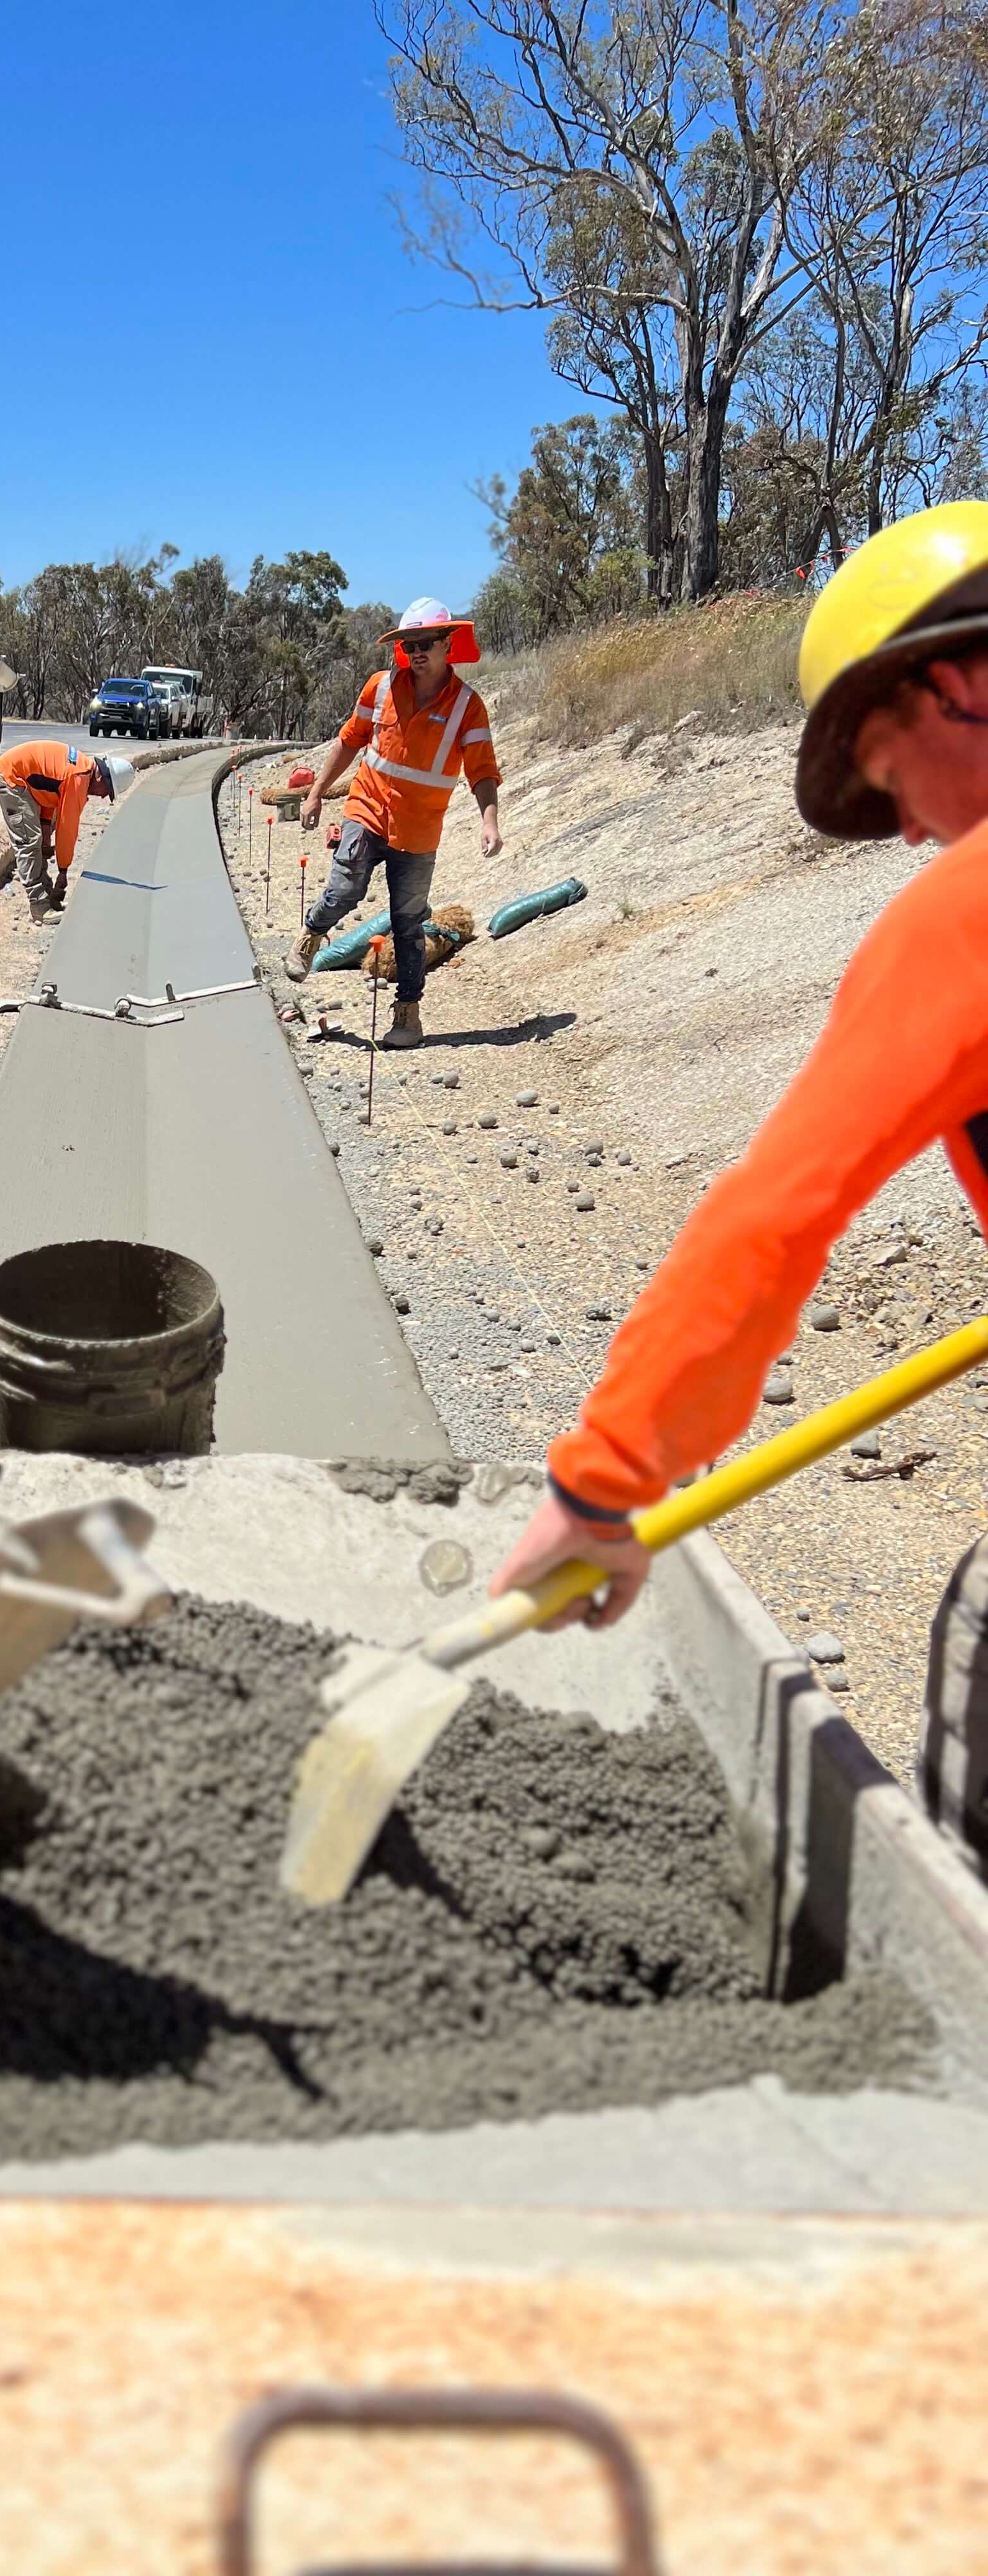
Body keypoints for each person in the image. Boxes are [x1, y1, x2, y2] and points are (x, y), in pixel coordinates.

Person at [490, 499, 988, 1877]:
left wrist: (601, 1487)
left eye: (884, 775)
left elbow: (775, 1217)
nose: (904, 832)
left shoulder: (965, 908)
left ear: (958, 684)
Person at [287, 598, 503, 1049]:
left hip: (419, 829)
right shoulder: (380, 687)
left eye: (425, 643)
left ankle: (407, 1014)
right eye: (409, 645)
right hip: (367, 807)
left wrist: (490, 822)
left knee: (408, 924)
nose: (416, 652)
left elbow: (482, 769)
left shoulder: (468, 706)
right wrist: (316, 792)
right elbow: (349, 741)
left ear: (447, 644)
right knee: (345, 890)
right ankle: (311, 935)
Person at [0, 739, 134, 921]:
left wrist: (46, 834)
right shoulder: (78, 778)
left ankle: (46, 894)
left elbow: (48, 794)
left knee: (40, 840)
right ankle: (39, 906)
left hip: (22, 778)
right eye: (107, 791)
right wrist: (63, 871)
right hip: (11, 777)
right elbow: (67, 829)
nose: (104, 796)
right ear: (101, 778)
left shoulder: (80, 769)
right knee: (29, 842)